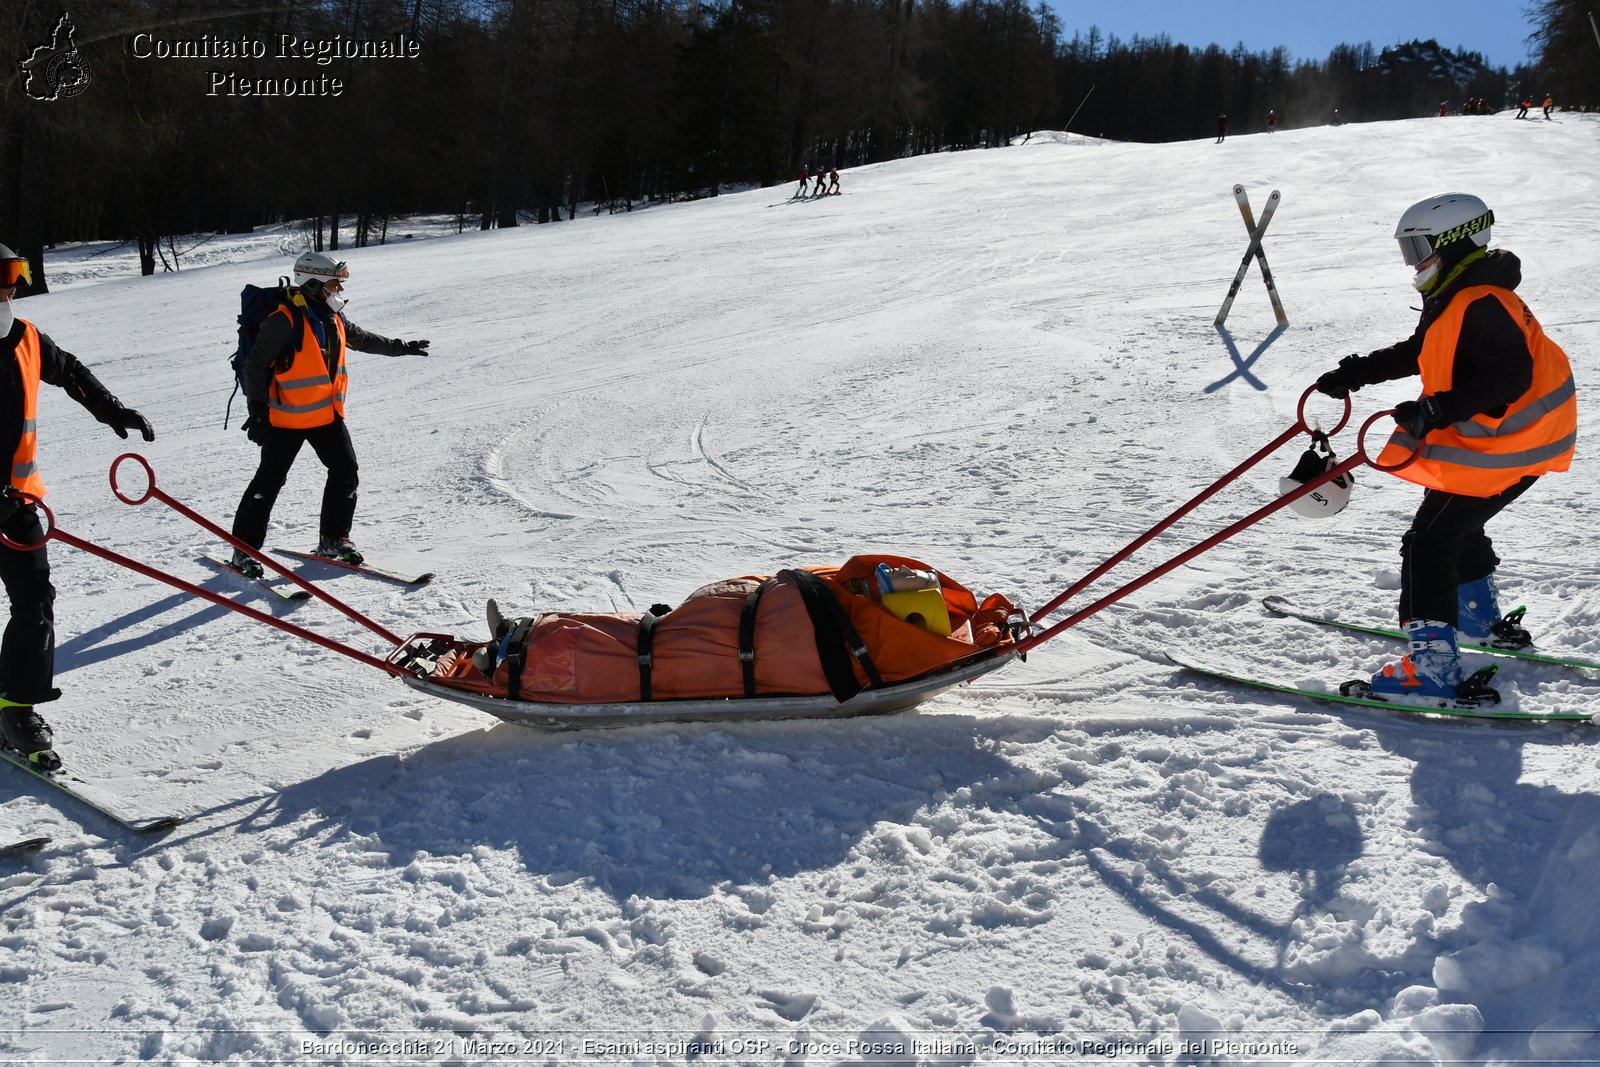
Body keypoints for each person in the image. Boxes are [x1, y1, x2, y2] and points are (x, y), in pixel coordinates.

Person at [1314, 194, 1577, 701]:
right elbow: (1424, 350)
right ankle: (1476, 618)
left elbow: (1507, 376)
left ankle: (1431, 664)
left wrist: (1438, 410)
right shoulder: (1464, 294)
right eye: (1407, 248)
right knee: (1455, 523)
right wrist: (1357, 373)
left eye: (1420, 247)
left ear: (1457, 244)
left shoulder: (1482, 303)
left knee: (1429, 539)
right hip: (1518, 442)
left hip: (1511, 444)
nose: (1413, 261)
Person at [1, 243, 155, 770]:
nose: (11, 287)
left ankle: (15, 707)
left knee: (35, 602)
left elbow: (68, 370)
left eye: (15, 274)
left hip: (16, 504)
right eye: (2, 277)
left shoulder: (23, 337)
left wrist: (112, 409)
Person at [229, 252, 430, 576]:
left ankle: (333, 540)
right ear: (313, 284)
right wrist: (257, 412)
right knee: (269, 481)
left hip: (326, 415)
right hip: (286, 420)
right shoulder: (284, 320)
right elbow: (255, 364)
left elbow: (362, 339)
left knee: (345, 470)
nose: (339, 289)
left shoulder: (332, 317)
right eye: (334, 283)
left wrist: (400, 346)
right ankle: (244, 551)